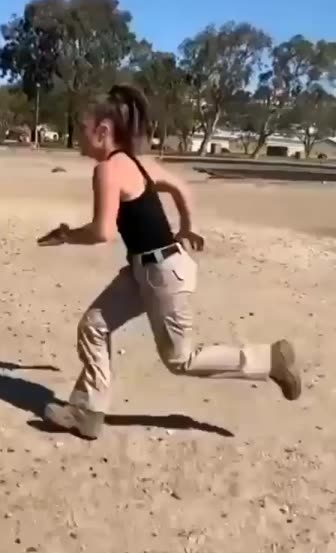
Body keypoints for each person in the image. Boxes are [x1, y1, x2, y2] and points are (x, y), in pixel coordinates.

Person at [37, 85, 301, 440]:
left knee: (180, 359)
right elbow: (181, 188)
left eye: (82, 129)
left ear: (103, 131)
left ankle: (270, 360)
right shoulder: (140, 163)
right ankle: (87, 412)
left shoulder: (107, 170)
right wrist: (188, 226)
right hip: (146, 269)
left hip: (161, 274)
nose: (78, 136)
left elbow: (103, 232)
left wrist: (67, 236)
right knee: (94, 326)